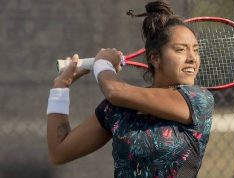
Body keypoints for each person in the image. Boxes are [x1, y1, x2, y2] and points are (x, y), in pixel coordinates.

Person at [46, 1, 214, 177]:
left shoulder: (197, 100)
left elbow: (114, 90)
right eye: (180, 50)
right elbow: (59, 152)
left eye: (196, 50)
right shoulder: (118, 109)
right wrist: (61, 86)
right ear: (155, 58)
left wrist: (103, 64)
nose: (192, 58)